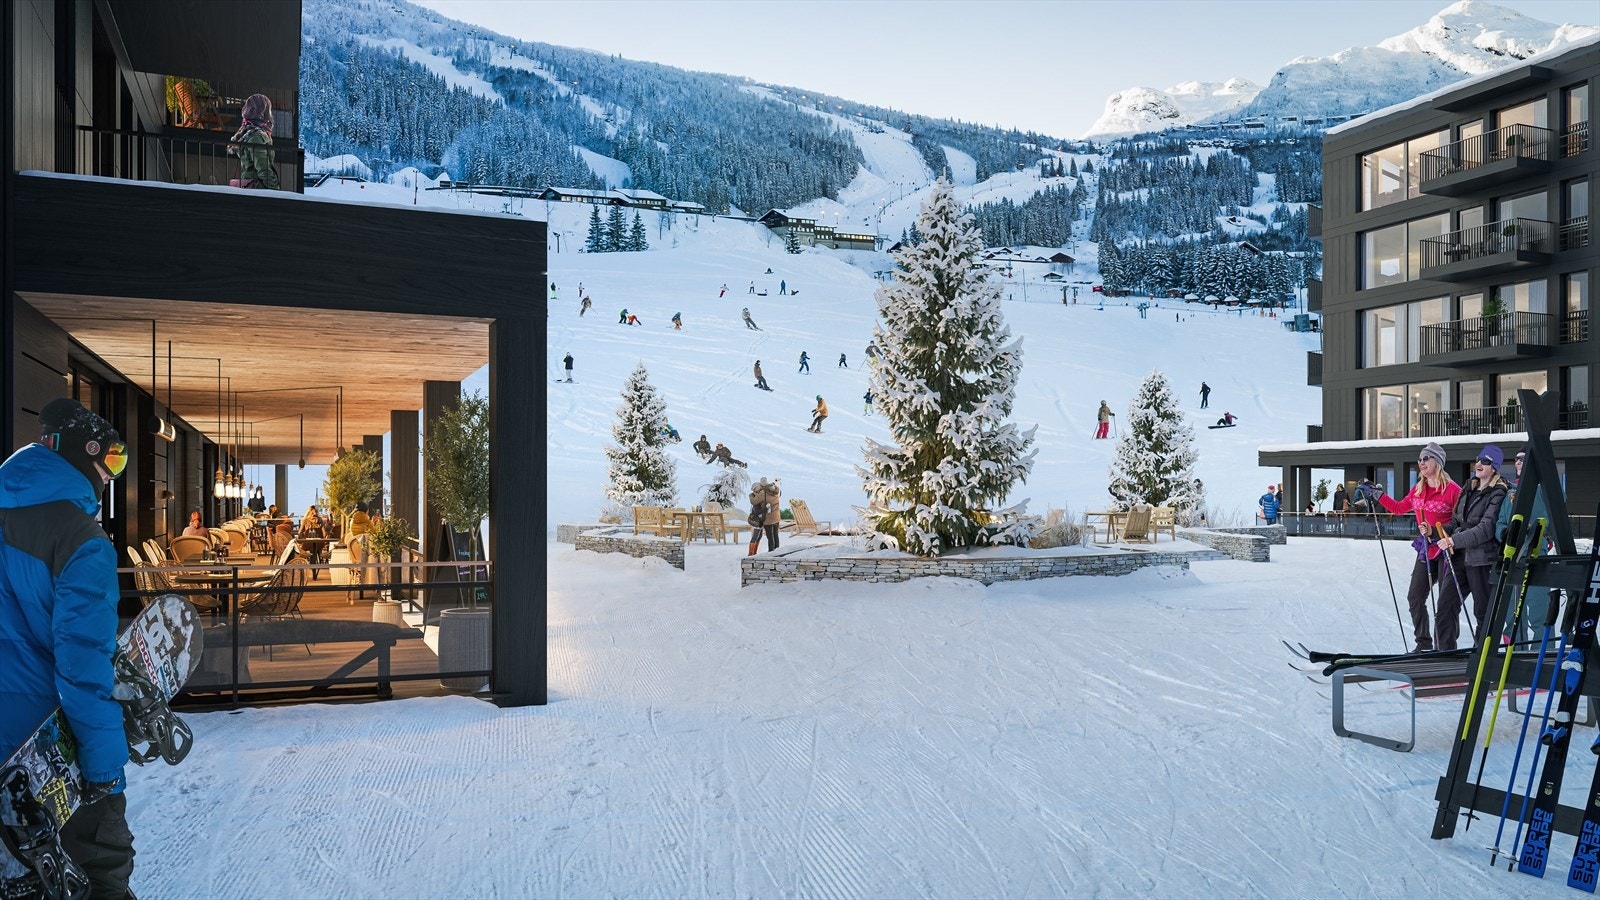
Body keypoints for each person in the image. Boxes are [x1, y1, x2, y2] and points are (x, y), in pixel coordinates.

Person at [0, 398, 135, 896]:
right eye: (113, 460)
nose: (111, 475)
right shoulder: (83, 540)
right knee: (103, 875)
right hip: (48, 754)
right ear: (86, 454)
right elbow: (81, 667)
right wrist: (103, 770)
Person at [1378, 442, 1464, 652]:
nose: (1421, 462)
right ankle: (1423, 644)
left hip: (1447, 550)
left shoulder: (1453, 491)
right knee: (1415, 596)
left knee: (1446, 602)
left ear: (1438, 462)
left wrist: (1445, 533)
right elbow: (1399, 508)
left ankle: (1445, 647)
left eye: (1426, 458)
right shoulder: (1418, 490)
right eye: (1420, 459)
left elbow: (1462, 519)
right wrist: (1377, 495)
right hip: (1426, 550)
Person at [1436, 445, 1509, 641]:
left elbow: (1486, 529)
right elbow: (1456, 520)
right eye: (1478, 459)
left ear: (1494, 467)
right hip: (1459, 556)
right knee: (1445, 607)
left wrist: (1454, 539)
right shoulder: (1469, 487)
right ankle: (1445, 654)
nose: (1479, 464)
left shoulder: (1499, 493)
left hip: (1481, 559)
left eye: (1485, 461)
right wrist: (1441, 532)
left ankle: (1481, 658)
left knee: (1483, 613)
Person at [1497, 445, 1556, 640]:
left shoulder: (1545, 489)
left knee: (1539, 609)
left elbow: (1555, 514)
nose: (1518, 462)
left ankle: (1542, 652)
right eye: (1516, 459)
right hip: (1513, 558)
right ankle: (1514, 653)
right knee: (1512, 614)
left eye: (1523, 458)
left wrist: (1540, 531)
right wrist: (1505, 534)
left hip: (1536, 556)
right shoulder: (1510, 493)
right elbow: (1500, 523)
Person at [228, 93, 280, 190]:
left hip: (251, 186)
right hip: (259, 188)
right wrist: (275, 190)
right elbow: (263, 169)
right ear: (264, 113)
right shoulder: (257, 136)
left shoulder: (247, 132)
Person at [747, 476, 782, 554]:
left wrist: (751, 495)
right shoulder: (775, 491)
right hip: (776, 516)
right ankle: (777, 552)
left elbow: (753, 502)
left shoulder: (763, 493)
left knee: (770, 537)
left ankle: (771, 553)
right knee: (776, 535)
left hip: (768, 518)